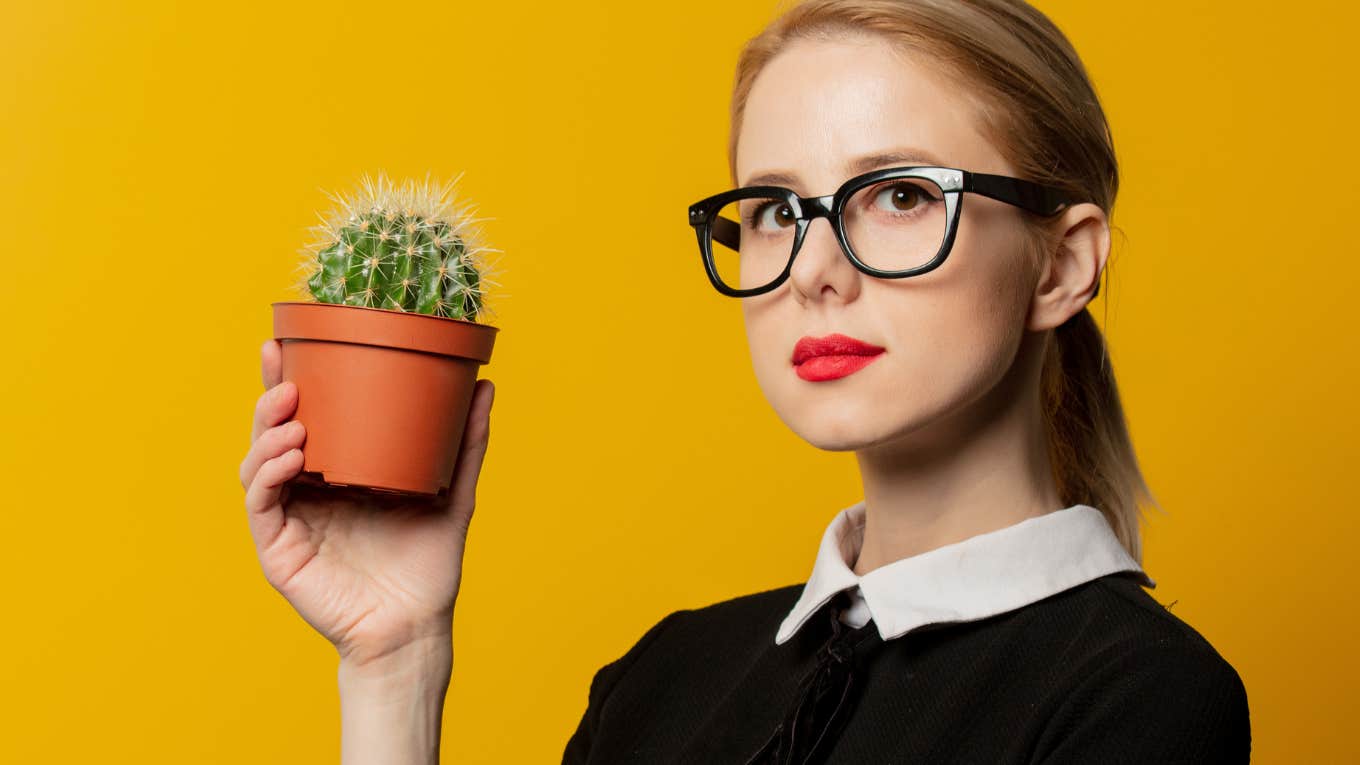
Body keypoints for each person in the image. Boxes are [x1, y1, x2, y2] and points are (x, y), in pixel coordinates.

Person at [238, 0, 1251, 762]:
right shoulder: (660, 681)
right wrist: (395, 665)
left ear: (1063, 264)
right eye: (774, 210)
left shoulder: (1135, 697)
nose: (815, 269)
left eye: (896, 195)